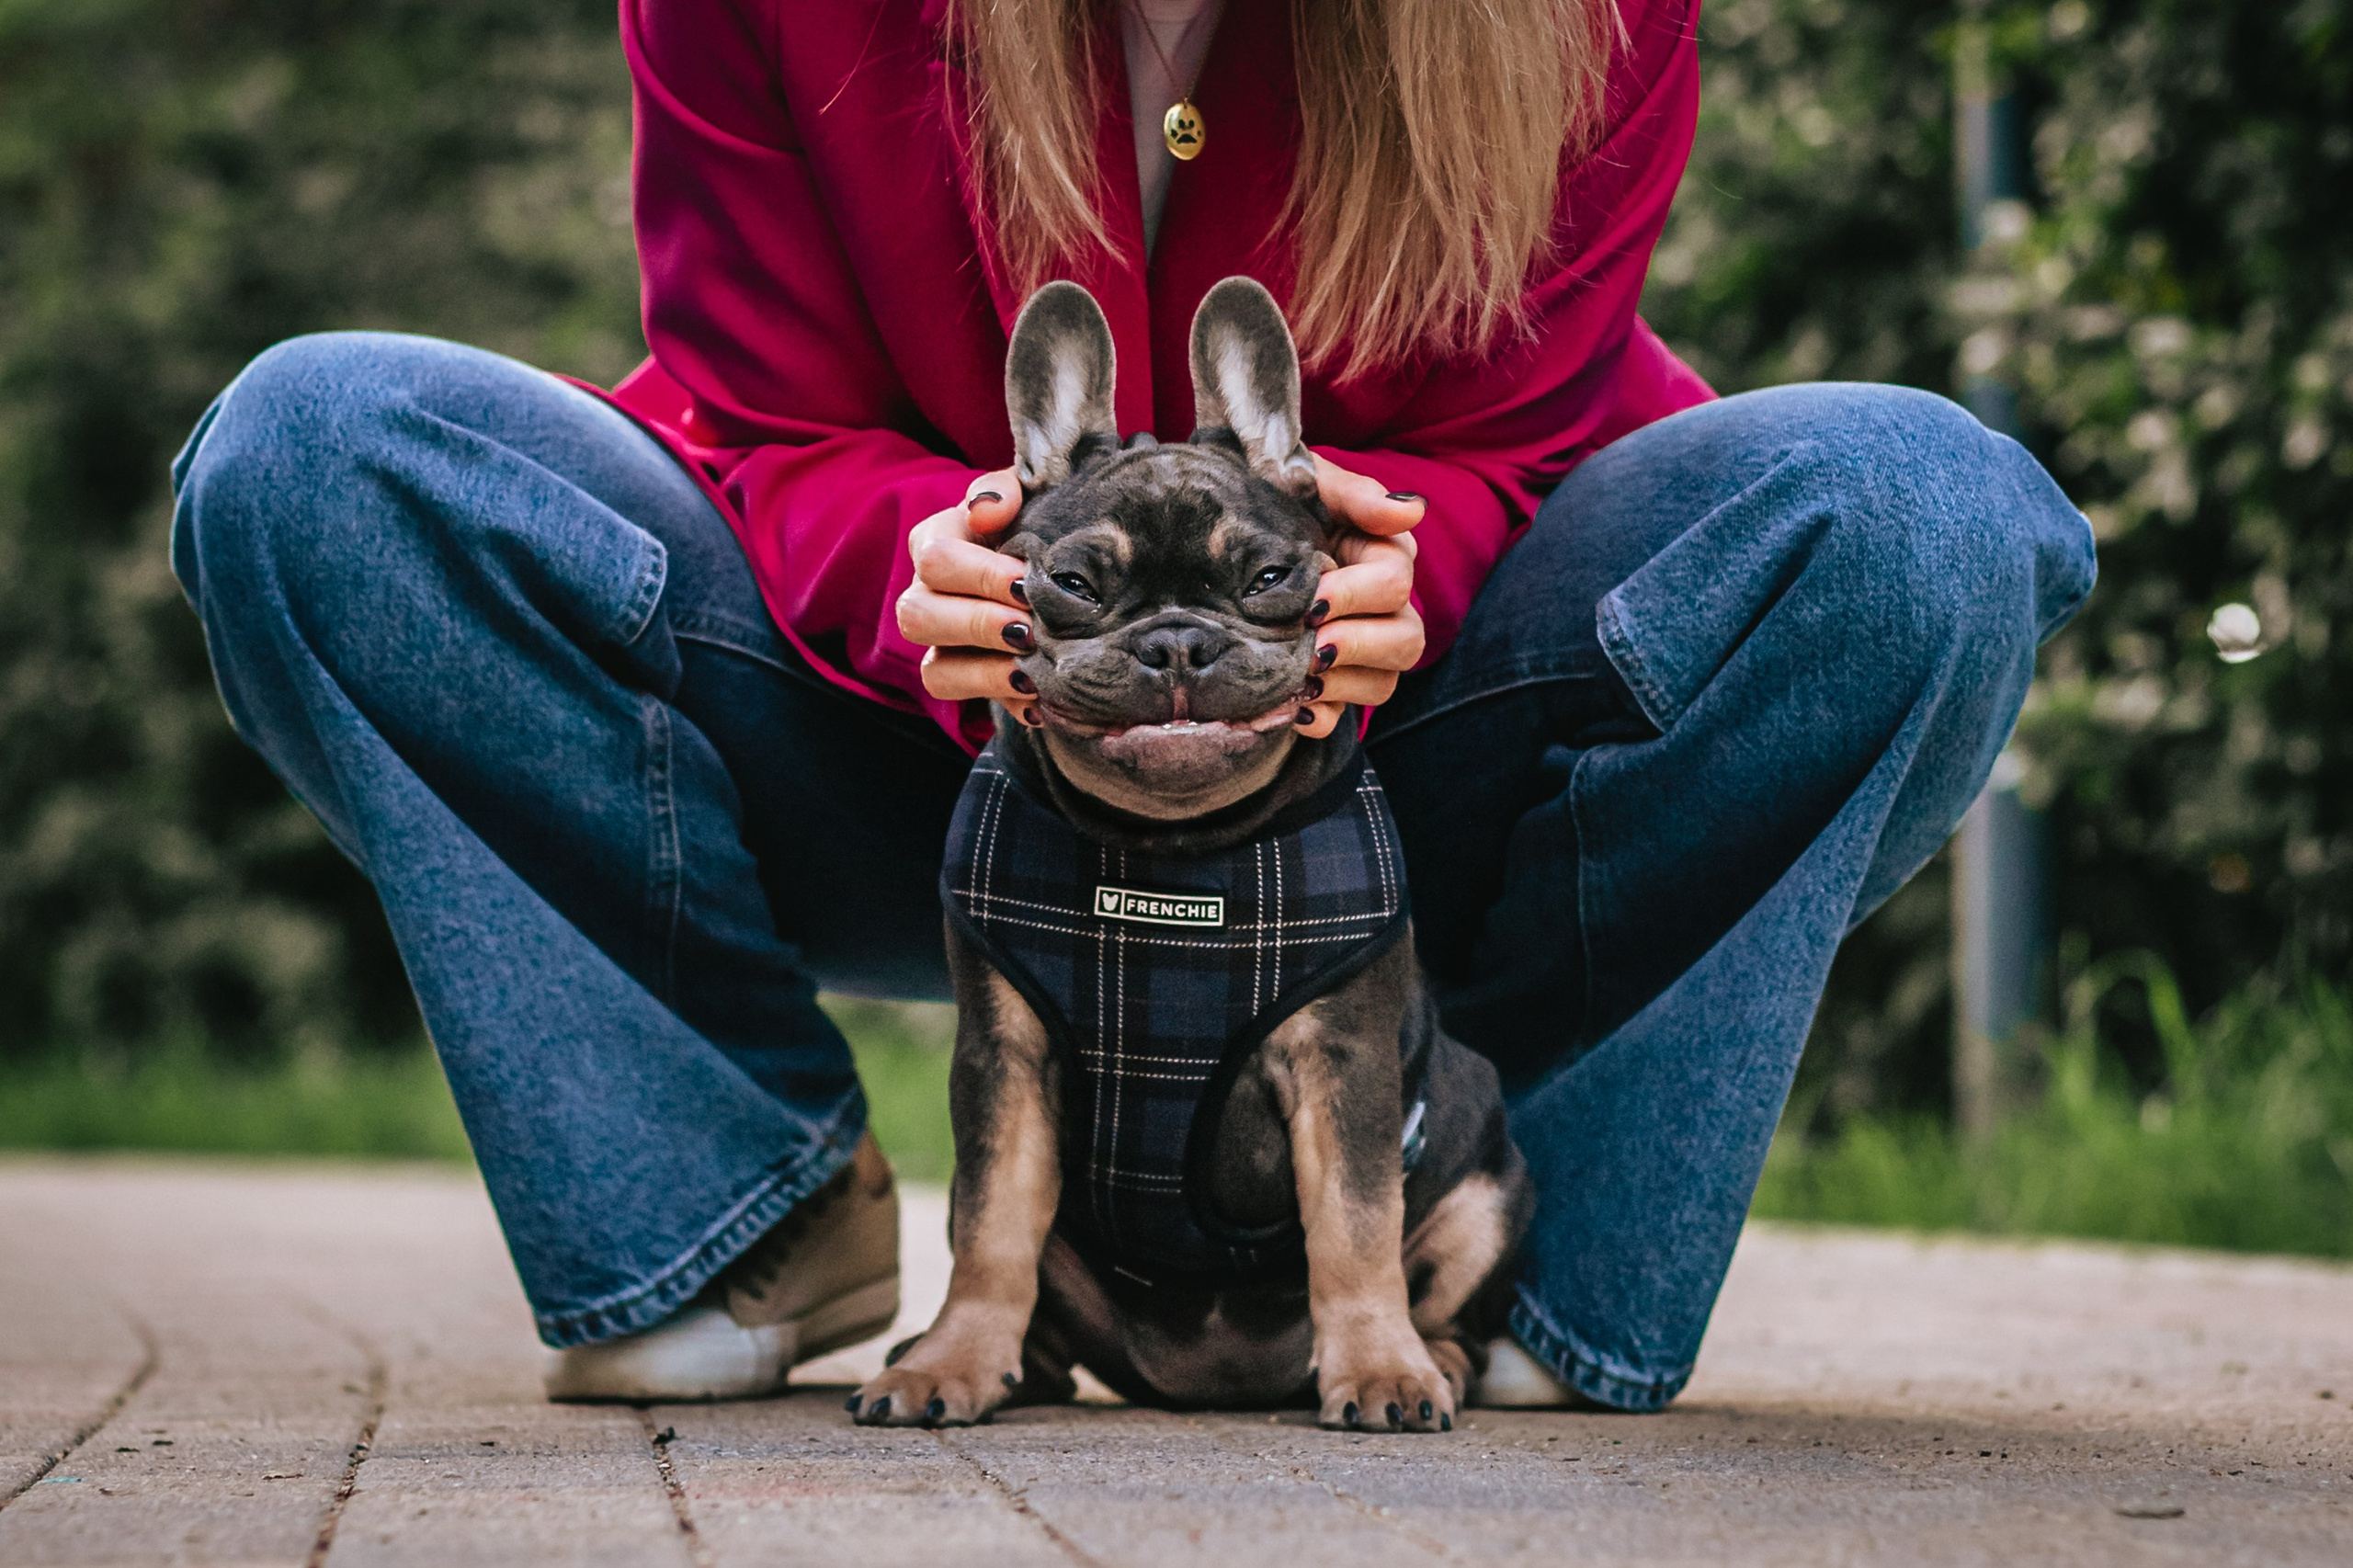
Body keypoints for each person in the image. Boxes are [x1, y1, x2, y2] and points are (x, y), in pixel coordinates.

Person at [168, 0, 2094, 1412]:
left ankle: (1482, 1232)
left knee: (1924, 518)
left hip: (1398, 761)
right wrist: (923, 562)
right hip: (884, 731)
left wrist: (1397, 572)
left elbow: (1535, 423)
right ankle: (733, 1205)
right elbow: (756, 407)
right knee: (318, 453)